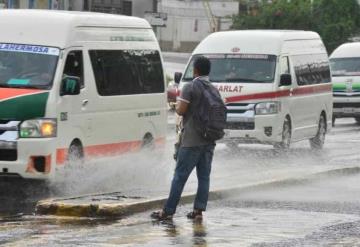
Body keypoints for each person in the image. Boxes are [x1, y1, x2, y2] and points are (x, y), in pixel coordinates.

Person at [151, 56, 217, 221]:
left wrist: (179, 104)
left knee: (180, 176)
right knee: (204, 177)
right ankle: (198, 211)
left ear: (195, 70)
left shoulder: (190, 86)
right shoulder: (214, 89)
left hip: (191, 141)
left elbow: (180, 110)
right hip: (209, 140)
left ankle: (168, 211)